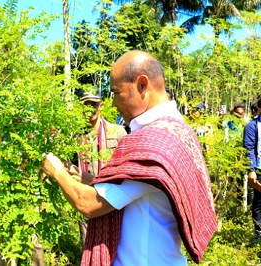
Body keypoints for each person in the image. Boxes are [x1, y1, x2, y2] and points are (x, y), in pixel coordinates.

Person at [42, 50, 217, 265]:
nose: (114, 103)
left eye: (116, 92)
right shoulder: (178, 131)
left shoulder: (154, 144)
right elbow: (130, 187)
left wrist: (56, 171)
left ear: (142, 85)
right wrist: (82, 176)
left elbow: (87, 203)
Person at [73, 88, 126, 246]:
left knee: (115, 247)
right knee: (88, 246)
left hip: (113, 201)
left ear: (101, 105)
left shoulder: (117, 132)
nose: (90, 110)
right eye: (86, 105)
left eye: (93, 105)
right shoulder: (77, 136)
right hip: (87, 199)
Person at [243, 97, 261, 240]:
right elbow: (249, 149)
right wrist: (251, 170)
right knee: (259, 203)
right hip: (260, 169)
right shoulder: (252, 127)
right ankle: (258, 234)